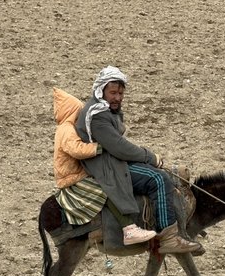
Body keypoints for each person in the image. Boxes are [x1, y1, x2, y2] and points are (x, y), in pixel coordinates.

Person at [74, 66, 202, 254]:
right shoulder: (97, 116)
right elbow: (119, 147)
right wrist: (150, 157)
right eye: (113, 93)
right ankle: (168, 237)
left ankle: (180, 226)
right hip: (107, 166)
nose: (117, 97)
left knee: (170, 174)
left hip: (113, 159)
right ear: (101, 91)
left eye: (120, 93)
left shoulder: (106, 109)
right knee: (159, 179)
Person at [52, 87, 157, 246]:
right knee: (108, 188)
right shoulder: (66, 129)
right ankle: (128, 228)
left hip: (76, 173)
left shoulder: (66, 128)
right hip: (73, 177)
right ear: (71, 111)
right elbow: (76, 149)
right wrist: (99, 147)